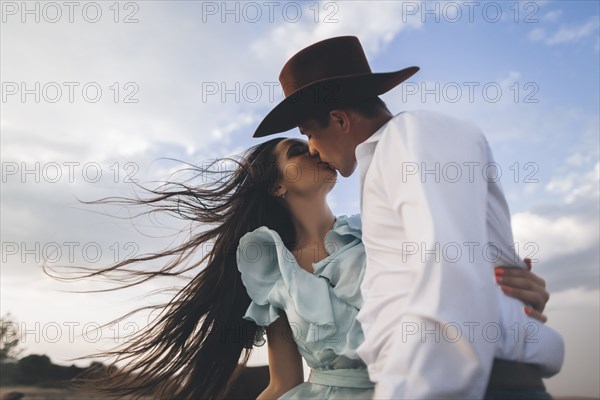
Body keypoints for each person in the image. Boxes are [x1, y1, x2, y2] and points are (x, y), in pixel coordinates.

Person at [50, 137, 554, 400]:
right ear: (276, 186)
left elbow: (458, 282)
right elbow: (285, 382)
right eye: (297, 150)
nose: (314, 148)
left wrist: (517, 295)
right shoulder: (271, 272)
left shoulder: (382, 232)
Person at [251, 36, 564, 399]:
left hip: (467, 383)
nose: (314, 150)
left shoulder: (411, 137)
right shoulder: (386, 161)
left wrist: (504, 301)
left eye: (309, 136)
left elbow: (447, 272)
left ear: (338, 119)